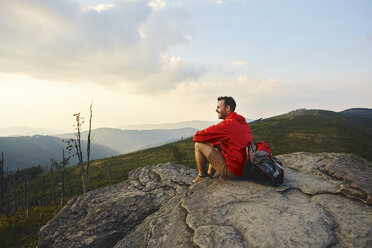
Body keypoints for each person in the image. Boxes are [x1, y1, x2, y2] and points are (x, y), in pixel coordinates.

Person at [193, 96, 252, 183]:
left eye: (218, 107)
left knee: (198, 144)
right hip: (246, 168)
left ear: (227, 108)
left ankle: (202, 176)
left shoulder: (228, 124)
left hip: (234, 172)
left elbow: (197, 137)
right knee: (217, 145)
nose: (216, 110)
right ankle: (209, 174)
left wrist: (210, 143)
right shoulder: (240, 121)